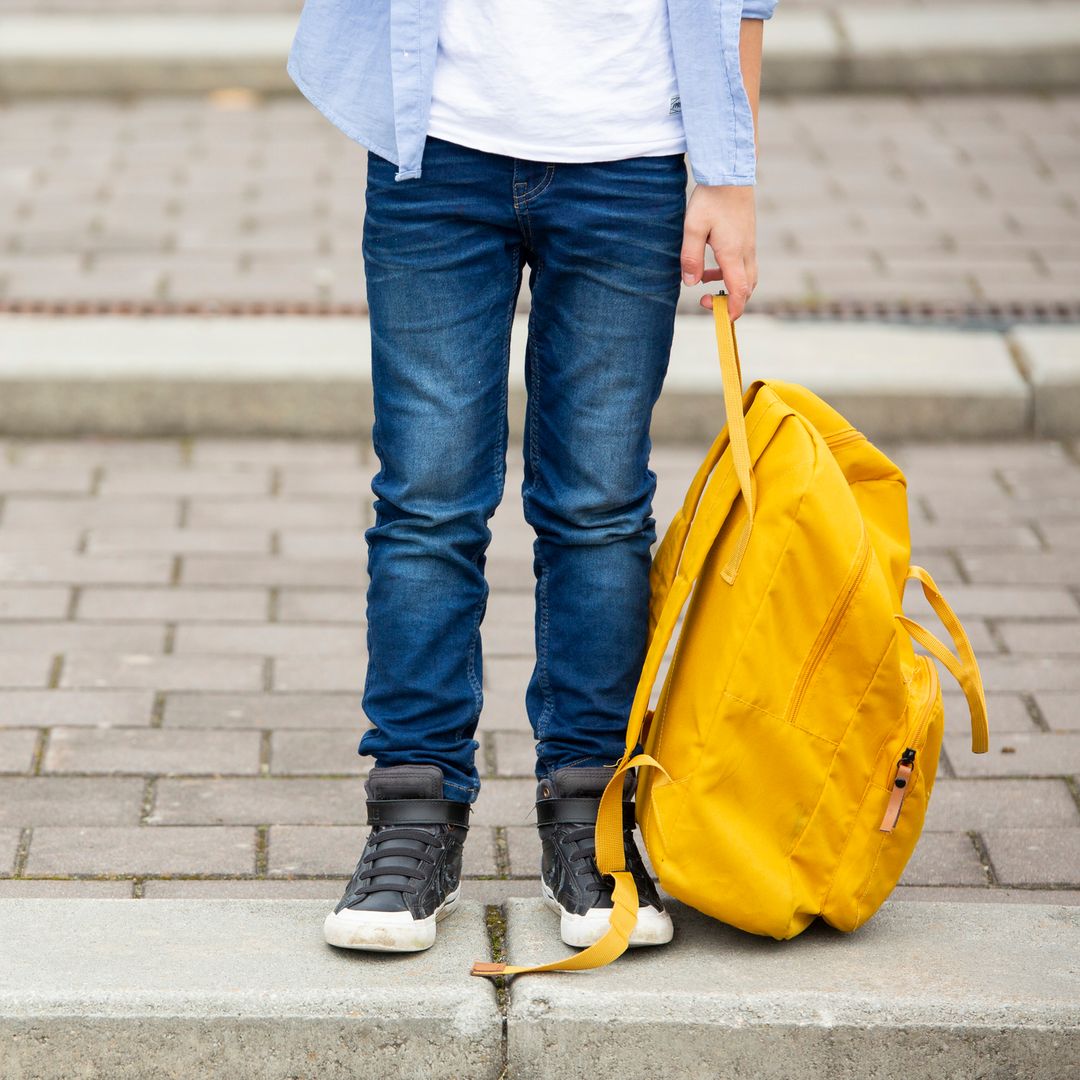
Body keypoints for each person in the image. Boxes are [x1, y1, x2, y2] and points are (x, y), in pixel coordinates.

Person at [286, 0, 777, 954]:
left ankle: (592, 820)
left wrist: (729, 172)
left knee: (598, 507)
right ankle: (412, 821)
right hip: (436, 138)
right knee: (426, 501)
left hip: (633, 150)